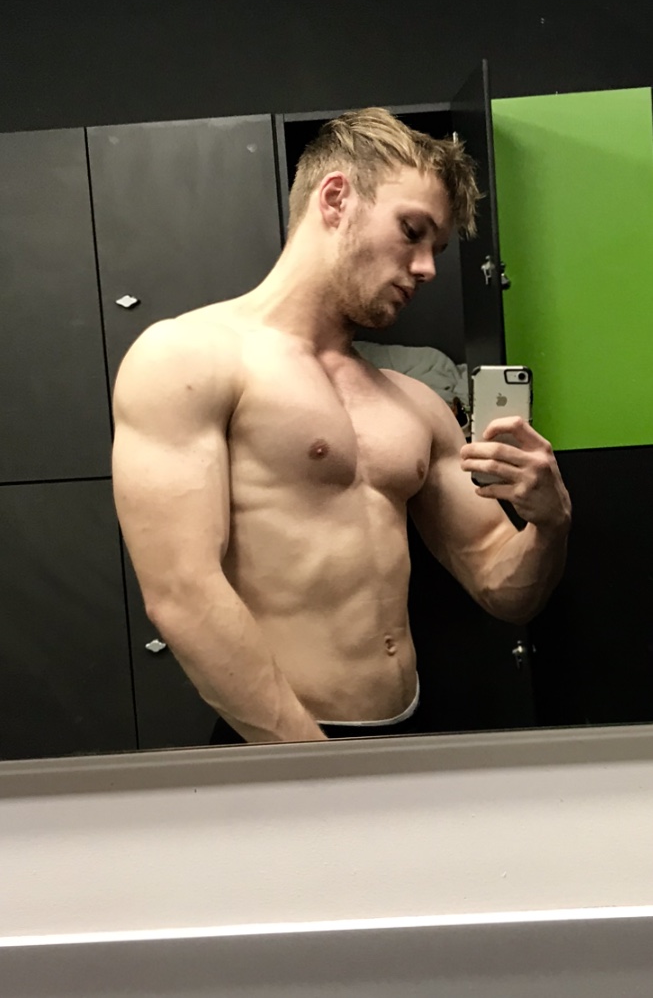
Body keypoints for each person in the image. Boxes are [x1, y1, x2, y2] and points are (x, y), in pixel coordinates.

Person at [112, 107, 571, 746]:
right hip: (280, 746)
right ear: (335, 199)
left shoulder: (416, 403)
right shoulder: (187, 358)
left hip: (404, 731)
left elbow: (503, 587)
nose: (427, 268)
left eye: (436, 250)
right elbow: (183, 595)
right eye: (412, 231)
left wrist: (550, 523)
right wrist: (317, 771)